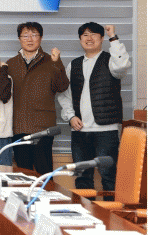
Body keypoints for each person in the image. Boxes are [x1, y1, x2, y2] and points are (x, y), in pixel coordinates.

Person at [57, 23, 131, 195]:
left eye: (93, 34)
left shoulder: (111, 60)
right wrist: (70, 116)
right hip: (80, 132)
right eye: (85, 35)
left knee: (109, 176)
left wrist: (113, 37)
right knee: (82, 178)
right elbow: (64, 94)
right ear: (80, 39)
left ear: (102, 38)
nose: (89, 38)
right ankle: (85, 211)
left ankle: (112, 212)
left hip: (106, 131)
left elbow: (122, 66)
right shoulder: (74, 65)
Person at [7, 22, 69, 175]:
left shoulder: (51, 61)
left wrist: (57, 63)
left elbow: (62, 86)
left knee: (44, 172)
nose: (30, 39)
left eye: (34, 35)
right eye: (25, 35)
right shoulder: (10, 64)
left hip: (43, 127)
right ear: (19, 39)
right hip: (19, 126)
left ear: (41, 38)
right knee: (23, 173)